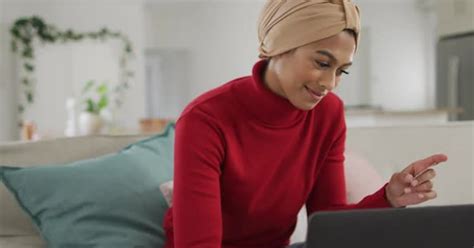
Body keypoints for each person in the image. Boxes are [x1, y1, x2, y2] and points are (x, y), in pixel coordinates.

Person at [163, 0, 448, 247]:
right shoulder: (204, 120)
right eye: (322, 63)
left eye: (341, 71)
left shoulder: (328, 113)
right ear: (278, 45)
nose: (330, 84)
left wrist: (388, 198)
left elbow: (327, 220)